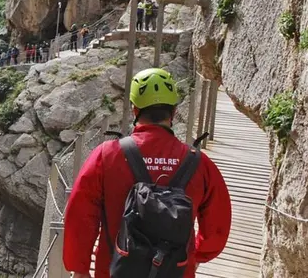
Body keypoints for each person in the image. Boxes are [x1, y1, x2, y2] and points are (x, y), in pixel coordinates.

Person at [63, 68, 231, 278]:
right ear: (174, 111)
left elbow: (80, 215)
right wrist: (197, 255)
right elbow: (218, 223)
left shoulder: (106, 156)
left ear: (134, 110)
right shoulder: (199, 163)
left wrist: (79, 267)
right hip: (176, 271)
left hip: (114, 270)